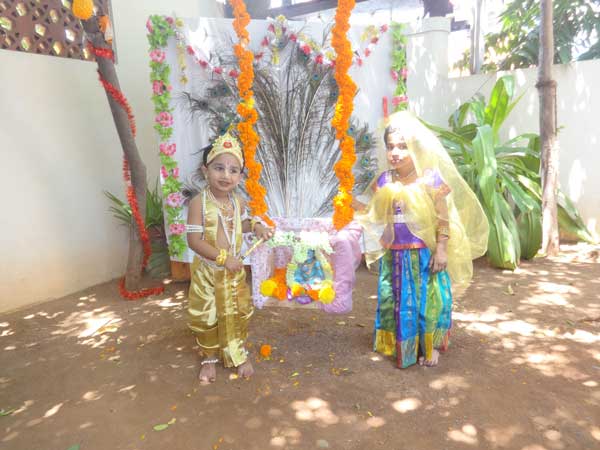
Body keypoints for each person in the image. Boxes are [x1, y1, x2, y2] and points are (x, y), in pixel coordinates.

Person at [357, 111, 488, 368]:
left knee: (427, 302)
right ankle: (401, 345)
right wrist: (346, 204)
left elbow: (443, 218)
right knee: (395, 299)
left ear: (414, 147)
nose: (395, 153)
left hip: (423, 254)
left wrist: (442, 250)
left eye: (402, 146)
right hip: (394, 255)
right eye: (390, 147)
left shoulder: (429, 180)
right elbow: (374, 213)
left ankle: (429, 347)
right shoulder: (384, 180)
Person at [185, 131, 273, 384]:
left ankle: (237, 353)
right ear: (205, 170)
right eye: (219, 168)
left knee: (237, 312)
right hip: (209, 272)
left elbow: (240, 225)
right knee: (208, 315)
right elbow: (194, 241)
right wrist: (223, 258)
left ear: (240, 176)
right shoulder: (199, 203)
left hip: (233, 272)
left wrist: (256, 227)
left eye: (233, 170)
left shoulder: (238, 202)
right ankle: (209, 358)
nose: (226, 175)